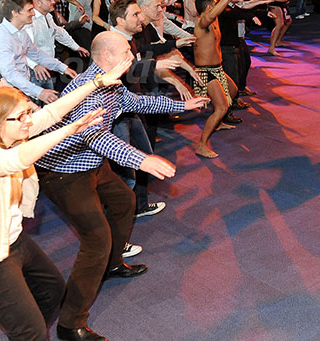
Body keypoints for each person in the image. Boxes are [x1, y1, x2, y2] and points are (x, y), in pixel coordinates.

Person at [35, 31, 205, 341]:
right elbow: (95, 136)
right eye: (126, 51)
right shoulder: (84, 89)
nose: (132, 55)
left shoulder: (113, 83)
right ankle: (70, 324)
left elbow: (137, 101)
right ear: (107, 58)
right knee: (96, 240)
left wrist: (180, 103)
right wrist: (141, 160)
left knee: (124, 202)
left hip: (91, 164)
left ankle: (111, 265)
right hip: (64, 172)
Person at [0, 68, 125, 341]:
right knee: (32, 331)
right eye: (22, 116)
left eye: (28, 113)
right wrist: (72, 129)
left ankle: (23, 328)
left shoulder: (10, 133)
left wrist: (95, 83)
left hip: (13, 240)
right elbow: (19, 159)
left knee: (51, 292)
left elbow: (52, 112)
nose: (29, 121)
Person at [193, 0, 248, 159]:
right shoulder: (202, 22)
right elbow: (214, 10)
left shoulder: (214, 17)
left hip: (216, 68)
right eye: (214, 5)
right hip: (205, 71)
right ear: (209, 8)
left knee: (232, 91)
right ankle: (201, 145)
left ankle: (218, 123)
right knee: (222, 107)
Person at [0, 0, 76, 103]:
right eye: (29, 10)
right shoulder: (1, 37)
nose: (33, 13)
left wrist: (63, 68)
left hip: (22, 88)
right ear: (14, 13)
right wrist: (39, 92)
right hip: (8, 94)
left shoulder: (21, 31)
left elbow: (37, 54)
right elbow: (10, 74)